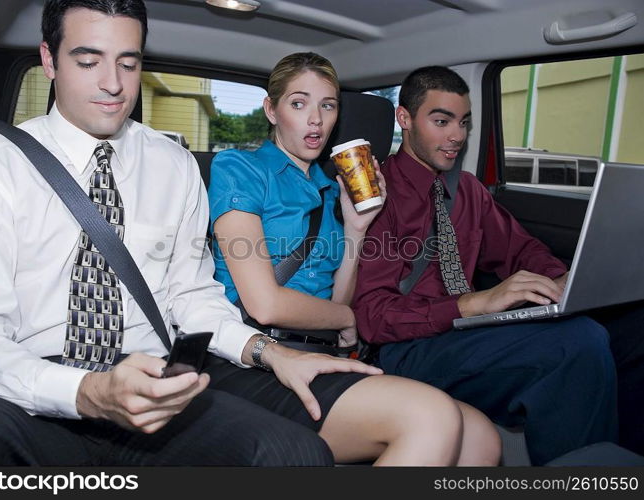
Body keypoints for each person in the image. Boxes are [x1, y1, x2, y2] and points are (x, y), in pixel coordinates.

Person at [0, 0, 384, 467]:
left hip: (152, 382)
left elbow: (193, 296)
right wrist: (86, 391)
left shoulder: (173, 166)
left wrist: (267, 351)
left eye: (128, 63)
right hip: (31, 387)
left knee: (296, 454)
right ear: (50, 60)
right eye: (88, 61)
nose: (113, 84)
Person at [206, 52, 501, 466]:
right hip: (254, 354)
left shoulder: (331, 191)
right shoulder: (239, 169)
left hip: (321, 354)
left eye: (327, 106)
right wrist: (347, 322)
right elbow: (265, 303)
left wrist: (357, 229)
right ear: (272, 110)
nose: (316, 120)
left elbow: (340, 301)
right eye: (298, 103)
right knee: (430, 417)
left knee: (481, 438)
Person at [352, 65, 621, 466]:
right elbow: (373, 317)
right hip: (405, 349)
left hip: (467, 333)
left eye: (463, 123)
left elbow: (521, 250)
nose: (457, 136)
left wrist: (562, 279)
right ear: (404, 119)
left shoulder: (468, 191)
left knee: (627, 326)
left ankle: (616, 465)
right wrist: (474, 304)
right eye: (441, 121)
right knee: (576, 345)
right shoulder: (377, 196)